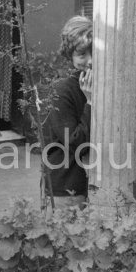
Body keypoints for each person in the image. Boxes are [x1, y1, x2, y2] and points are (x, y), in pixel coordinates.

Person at [44, 16, 93, 209]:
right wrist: (89, 102)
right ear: (70, 55)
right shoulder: (61, 90)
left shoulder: (96, 84)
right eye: (82, 54)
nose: (90, 61)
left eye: (93, 53)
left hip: (89, 186)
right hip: (67, 189)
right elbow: (76, 143)